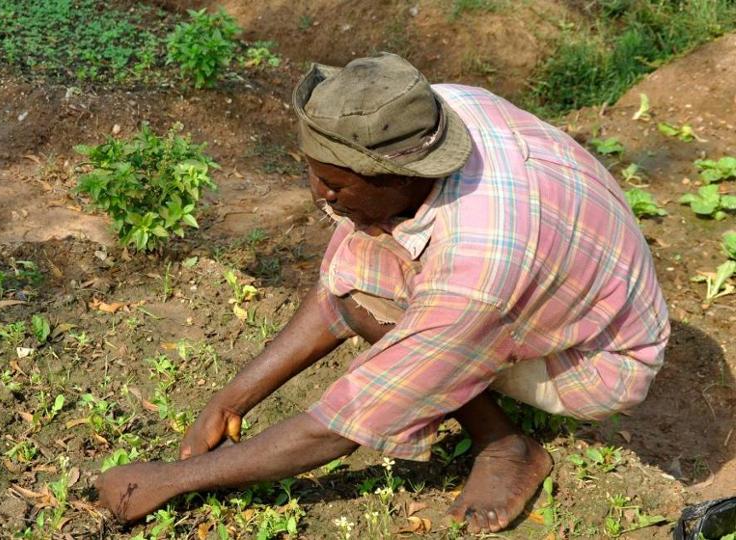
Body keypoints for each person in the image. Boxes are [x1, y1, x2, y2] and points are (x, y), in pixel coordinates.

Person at [95, 52, 669, 534]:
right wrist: (228, 402)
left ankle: (506, 447)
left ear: (398, 177)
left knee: (418, 347)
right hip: (559, 277)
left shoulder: (478, 267)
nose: (320, 195)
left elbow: (344, 423)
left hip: (597, 357)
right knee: (374, 277)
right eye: (315, 171)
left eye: (337, 185)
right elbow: (345, 290)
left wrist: (171, 481)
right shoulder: (425, 115)